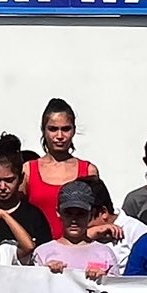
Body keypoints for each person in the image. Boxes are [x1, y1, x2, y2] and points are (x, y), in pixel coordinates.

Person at [24, 98, 100, 240]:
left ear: (74, 130)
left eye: (66, 129)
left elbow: (97, 217)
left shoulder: (88, 170)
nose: (60, 136)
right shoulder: (28, 170)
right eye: (53, 129)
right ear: (43, 130)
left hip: (78, 253)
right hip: (39, 254)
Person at [0, 139, 53, 248]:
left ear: (21, 178)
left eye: (9, 180)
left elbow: (47, 253)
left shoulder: (34, 216)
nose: (2, 187)